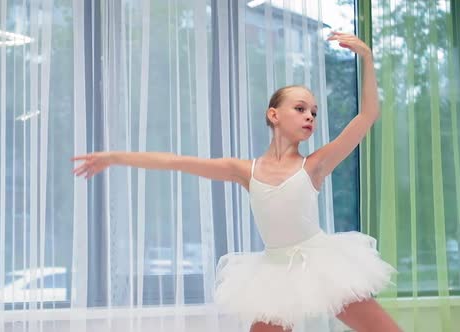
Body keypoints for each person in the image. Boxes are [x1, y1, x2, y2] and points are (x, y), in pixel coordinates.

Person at [72, 32, 400, 332]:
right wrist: (114, 157)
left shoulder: (315, 165)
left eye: (313, 112)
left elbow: (367, 116)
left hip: (322, 264)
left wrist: (367, 59)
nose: (310, 116)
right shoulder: (244, 170)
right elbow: (175, 161)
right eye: (300, 108)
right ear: (274, 115)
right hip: (275, 271)